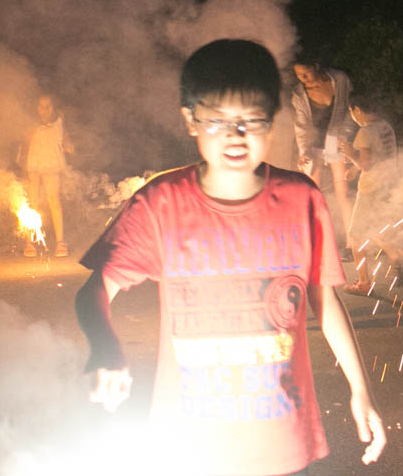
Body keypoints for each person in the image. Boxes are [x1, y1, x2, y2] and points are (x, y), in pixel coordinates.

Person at [74, 40, 385, 475]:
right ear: (190, 121)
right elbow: (94, 291)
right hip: (191, 445)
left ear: (273, 122)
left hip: (281, 442)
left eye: (251, 121)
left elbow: (326, 303)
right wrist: (105, 349)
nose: (235, 136)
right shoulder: (160, 205)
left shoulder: (302, 199)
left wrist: (361, 388)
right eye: (217, 121)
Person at [338, 92, 400, 295]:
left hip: (370, 189)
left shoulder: (365, 132)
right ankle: (396, 255)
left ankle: (364, 282)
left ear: (357, 110)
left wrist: (349, 153)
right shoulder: (386, 127)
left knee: (355, 235)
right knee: (375, 228)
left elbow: (366, 163)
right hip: (388, 185)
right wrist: (353, 168)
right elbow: (375, 156)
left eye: (352, 112)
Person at [291, 59, 355, 252]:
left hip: (336, 142)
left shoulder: (340, 80)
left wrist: (346, 141)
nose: (303, 79)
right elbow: (301, 126)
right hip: (313, 147)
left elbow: (349, 110)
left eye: (306, 73)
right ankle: (315, 244)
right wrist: (303, 152)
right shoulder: (300, 95)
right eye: (299, 76)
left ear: (316, 66)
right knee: (312, 195)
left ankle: (353, 243)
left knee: (343, 195)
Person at [20, 94, 73, 257]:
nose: (45, 110)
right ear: (37, 108)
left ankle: (60, 242)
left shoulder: (59, 122)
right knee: (33, 203)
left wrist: (68, 146)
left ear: (53, 107)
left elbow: (65, 140)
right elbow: (24, 145)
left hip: (51, 165)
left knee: (54, 201)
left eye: (48, 106)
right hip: (33, 166)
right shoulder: (32, 124)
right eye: (41, 107)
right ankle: (29, 243)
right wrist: (23, 170)